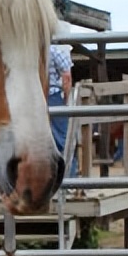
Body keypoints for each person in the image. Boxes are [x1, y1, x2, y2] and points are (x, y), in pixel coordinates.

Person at [48, 43, 78, 176]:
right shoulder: (55, 51)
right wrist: (66, 98)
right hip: (53, 96)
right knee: (63, 138)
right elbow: (67, 77)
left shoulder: (30, 50)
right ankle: (69, 176)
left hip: (34, 97)